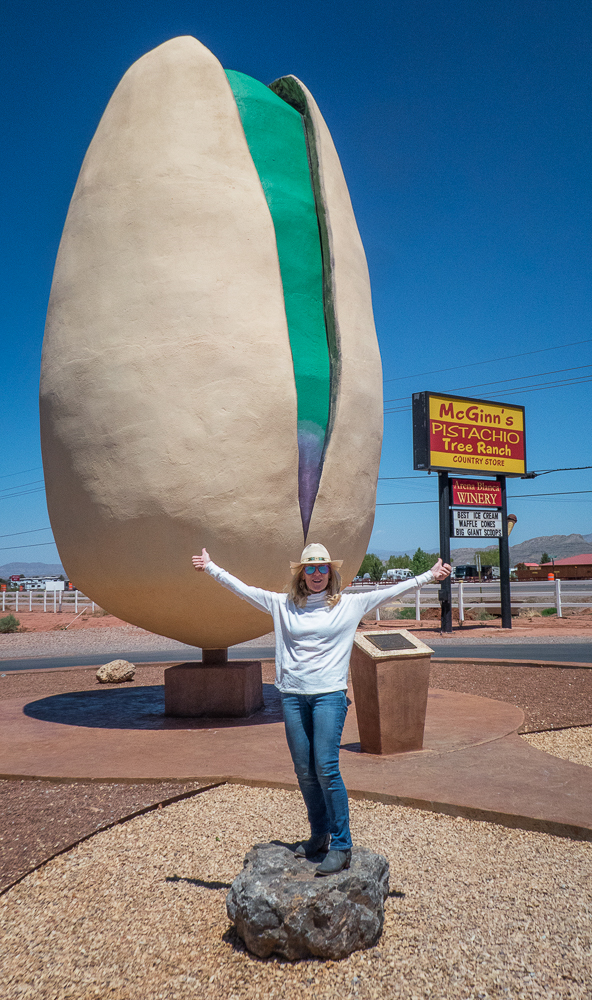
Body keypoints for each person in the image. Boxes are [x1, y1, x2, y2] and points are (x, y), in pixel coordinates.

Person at [192, 543, 451, 875]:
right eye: (310, 568)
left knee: (326, 768)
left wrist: (429, 575)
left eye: (322, 568)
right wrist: (211, 567)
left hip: (329, 696)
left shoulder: (349, 605)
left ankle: (342, 845)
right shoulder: (283, 604)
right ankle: (320, 835)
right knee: (304, 770)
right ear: (302, 574)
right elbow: (243, 590)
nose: (317, 574)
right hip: (292, 696)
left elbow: (391, 591)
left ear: (331, 572)